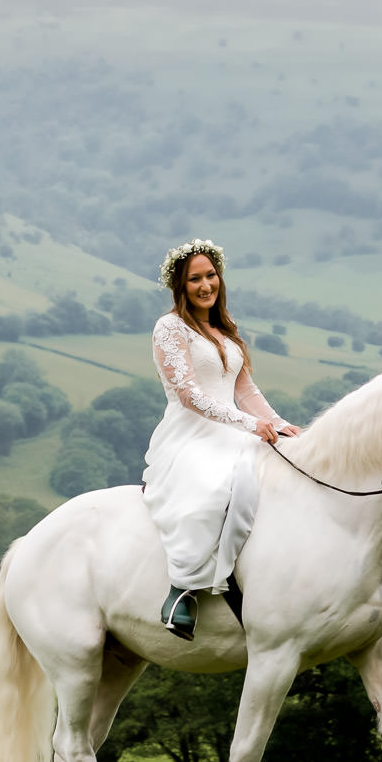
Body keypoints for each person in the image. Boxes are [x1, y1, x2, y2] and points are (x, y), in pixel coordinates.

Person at [143, 238, 298, 641]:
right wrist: (248, 425)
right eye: (195, 279)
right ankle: (183, 590)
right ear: (180, 285)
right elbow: (189, 395)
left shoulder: (225, 331)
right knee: (214, 489)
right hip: (190, 434)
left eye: (211, 275)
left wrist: (280, 425)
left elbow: (246, 390)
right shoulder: (169, 328)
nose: (205, 285)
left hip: (233, 428)